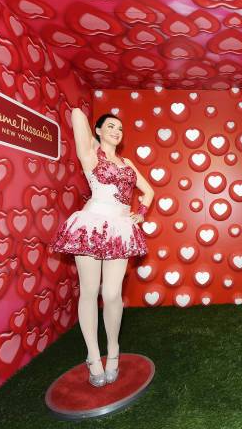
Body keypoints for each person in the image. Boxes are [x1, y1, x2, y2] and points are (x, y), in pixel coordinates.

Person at [49, 108, 155, 387]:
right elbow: (75, 115)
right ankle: (94, 357)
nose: (116, 131)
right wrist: (95, 137)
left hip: (120, 228)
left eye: (119, 128)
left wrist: (141, 212)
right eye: (110, 126)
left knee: (111, 294)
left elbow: (149, 191)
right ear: (98, 131)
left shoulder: (127, 162)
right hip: (92, 225)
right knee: (89, 291)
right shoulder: (89, 155)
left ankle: (114, 351)